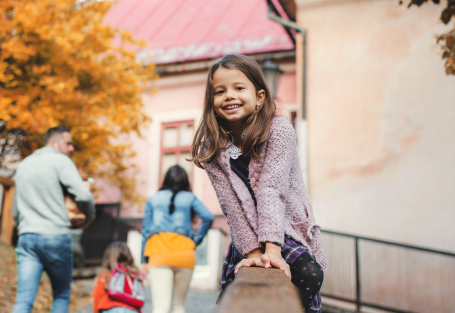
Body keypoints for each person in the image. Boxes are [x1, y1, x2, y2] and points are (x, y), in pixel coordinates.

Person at [189, 54, 329, 313]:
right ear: (212, 102)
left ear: (260, 97)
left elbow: (271, 189)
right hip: (247, 237)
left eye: (239, 88)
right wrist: (253, 253)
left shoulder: (279, 131)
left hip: (284, 230)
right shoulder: (213, 149)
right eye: (220, 91)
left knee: (309, 273)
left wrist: (272, 250)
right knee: (246, 295)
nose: (229, 95)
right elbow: (230, 204)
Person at [12, 126, 95, 313]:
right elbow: (83, 194)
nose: (71, 148)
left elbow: (15, 210)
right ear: (53, 143)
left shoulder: (24, 164)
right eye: (68, 143)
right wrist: (89, 216)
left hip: (27, 237)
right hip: (55, 236)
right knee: (61, 295)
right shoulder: (61, 161)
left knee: (23, 300)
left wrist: (22, 228)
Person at [140, 165, 213, 313]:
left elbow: (146, 231)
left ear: (166, 180)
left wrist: (143, 260)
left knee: (160, 307)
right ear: (186, 181)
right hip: (185, 255)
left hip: (158, 254)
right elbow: (208, 217)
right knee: (178, 306)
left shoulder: (153, 199)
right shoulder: (190, 198)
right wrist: (196, 240)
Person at [93, 242, 144, 313]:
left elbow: (97, 295)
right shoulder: (134, 276)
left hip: (110, 309)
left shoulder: (107, 275)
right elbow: (139, 297)